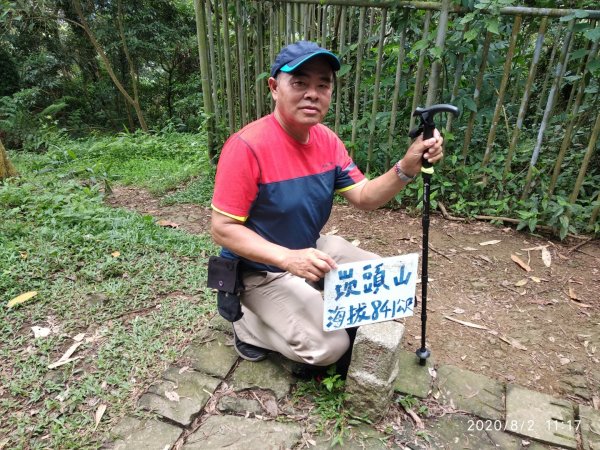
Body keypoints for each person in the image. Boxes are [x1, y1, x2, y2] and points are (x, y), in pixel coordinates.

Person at [210, 40, 443, 373]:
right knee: (329, 348)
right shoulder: (246, 147)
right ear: (275, 88)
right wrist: (288, 259)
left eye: (323, 85)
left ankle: (311, 300)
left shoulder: (327, 141)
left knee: (389, 286)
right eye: (300, 82)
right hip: (259, 270)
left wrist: (407, 167)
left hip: (310, 248)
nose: (312, 93)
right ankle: (247, 324)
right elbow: (222, 229)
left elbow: (364, 196)